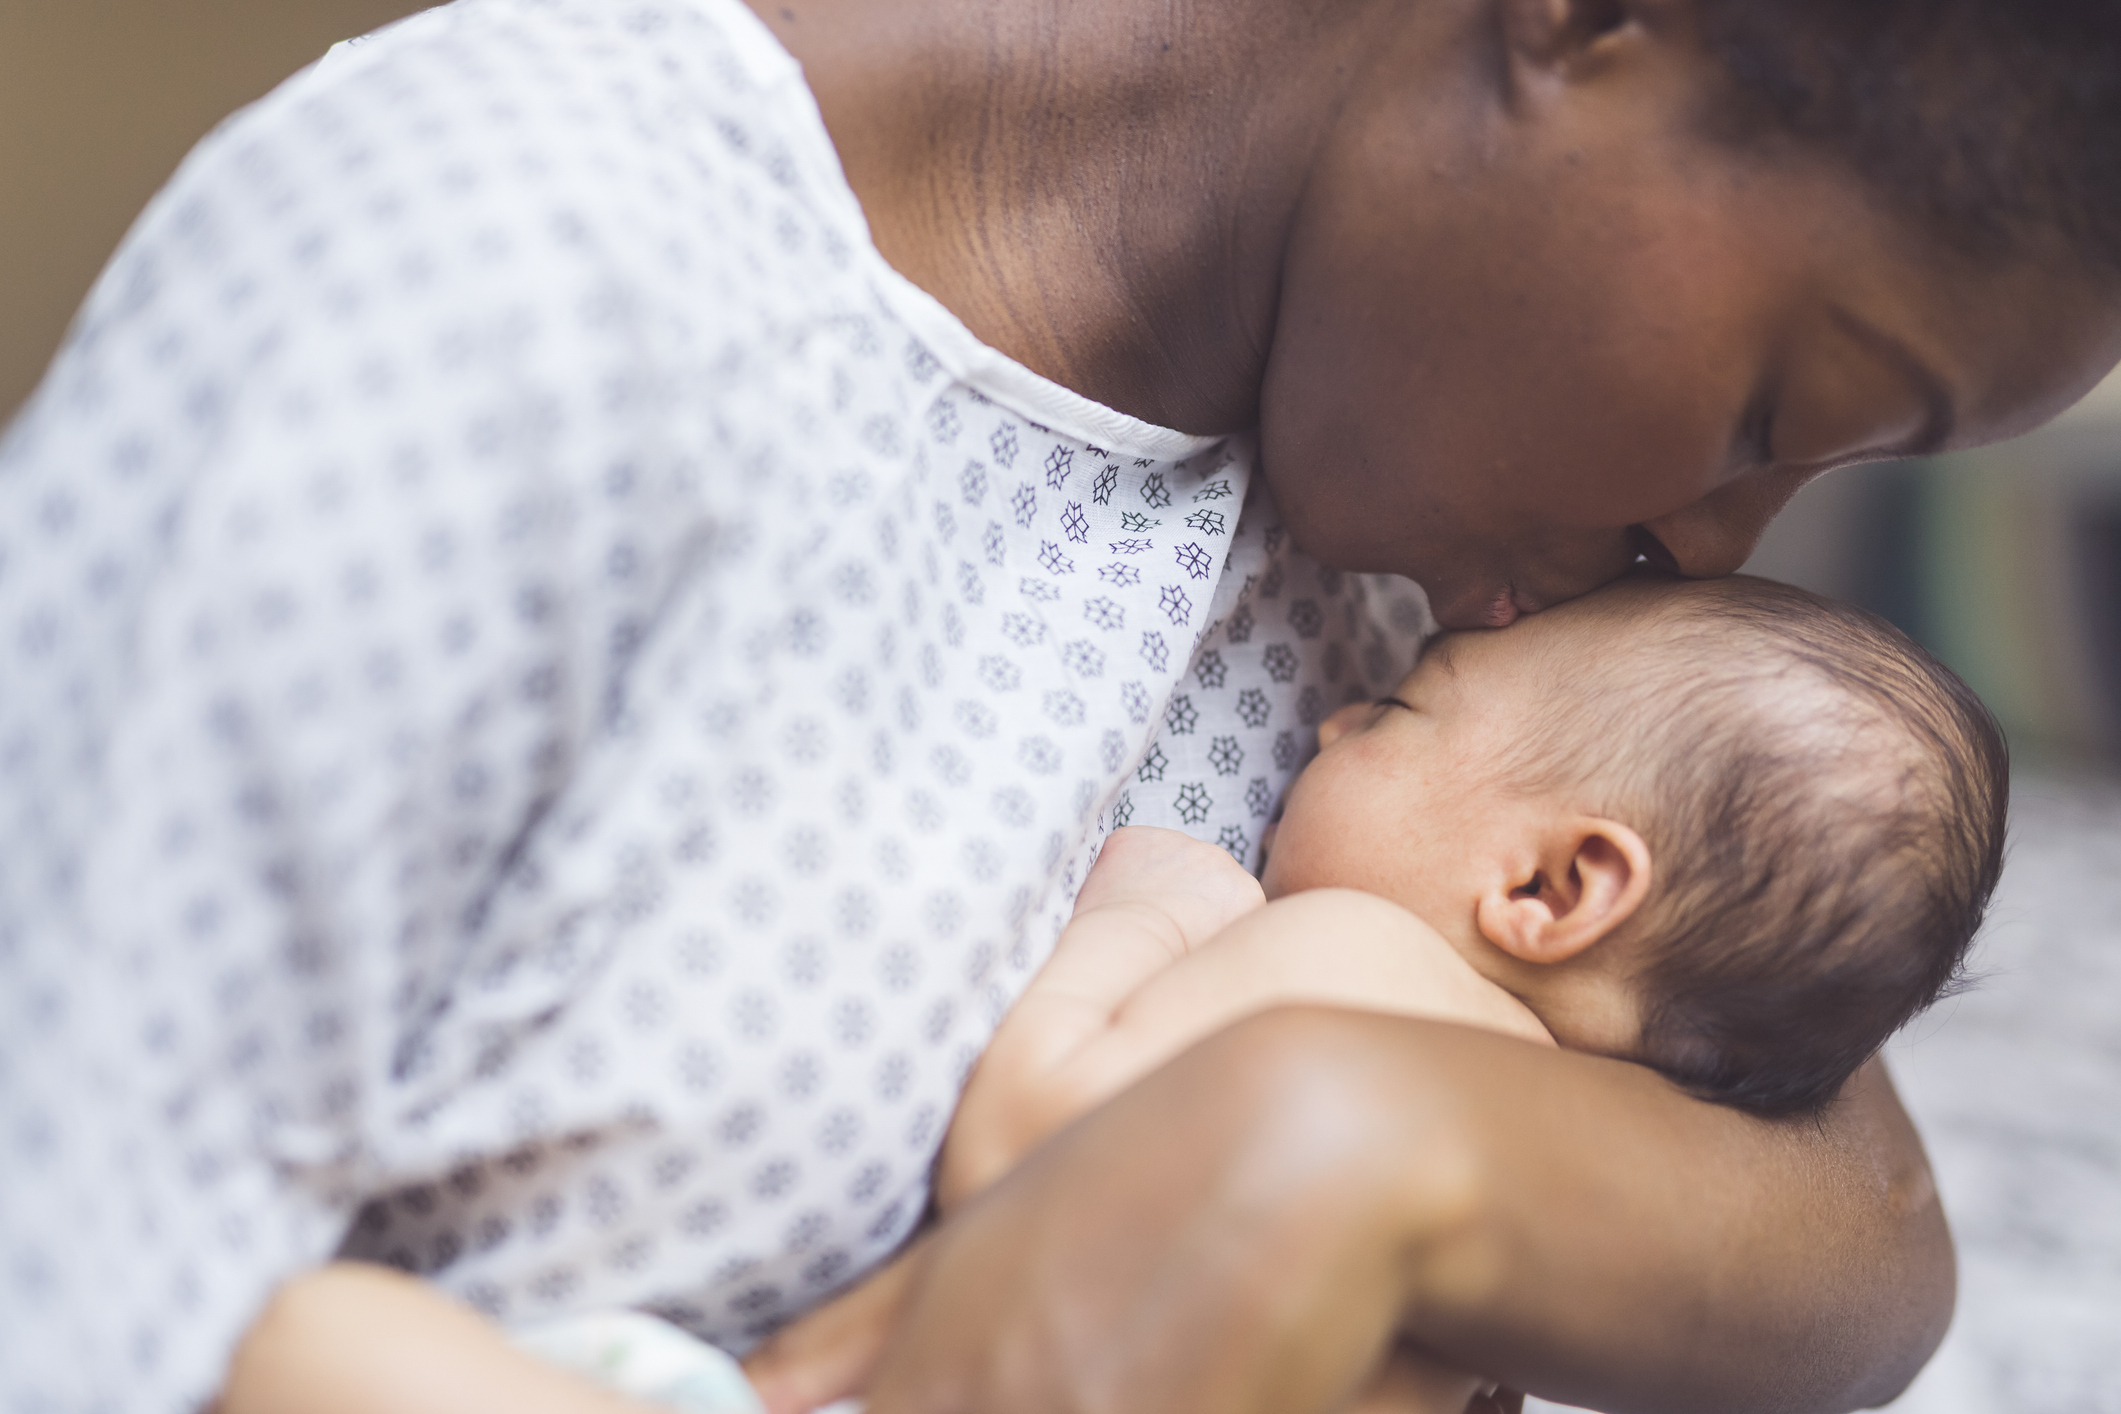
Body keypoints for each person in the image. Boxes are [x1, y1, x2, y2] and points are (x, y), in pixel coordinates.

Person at [3, 0, 2119, 1409]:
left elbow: (1856, 1221)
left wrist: (1350, 1142)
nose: (1713, 544)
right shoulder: (504, 280)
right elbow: (69, 1266)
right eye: (1773, 411)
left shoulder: (1403, 517)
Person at [214, 569, 2010, 1413]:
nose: (1325, 712)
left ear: (1546, 889)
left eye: (1399, 709)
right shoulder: (1578, 1171)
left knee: (298, 1342)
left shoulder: (1365, 967)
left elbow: (1029, 1143)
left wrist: (1156, 900)